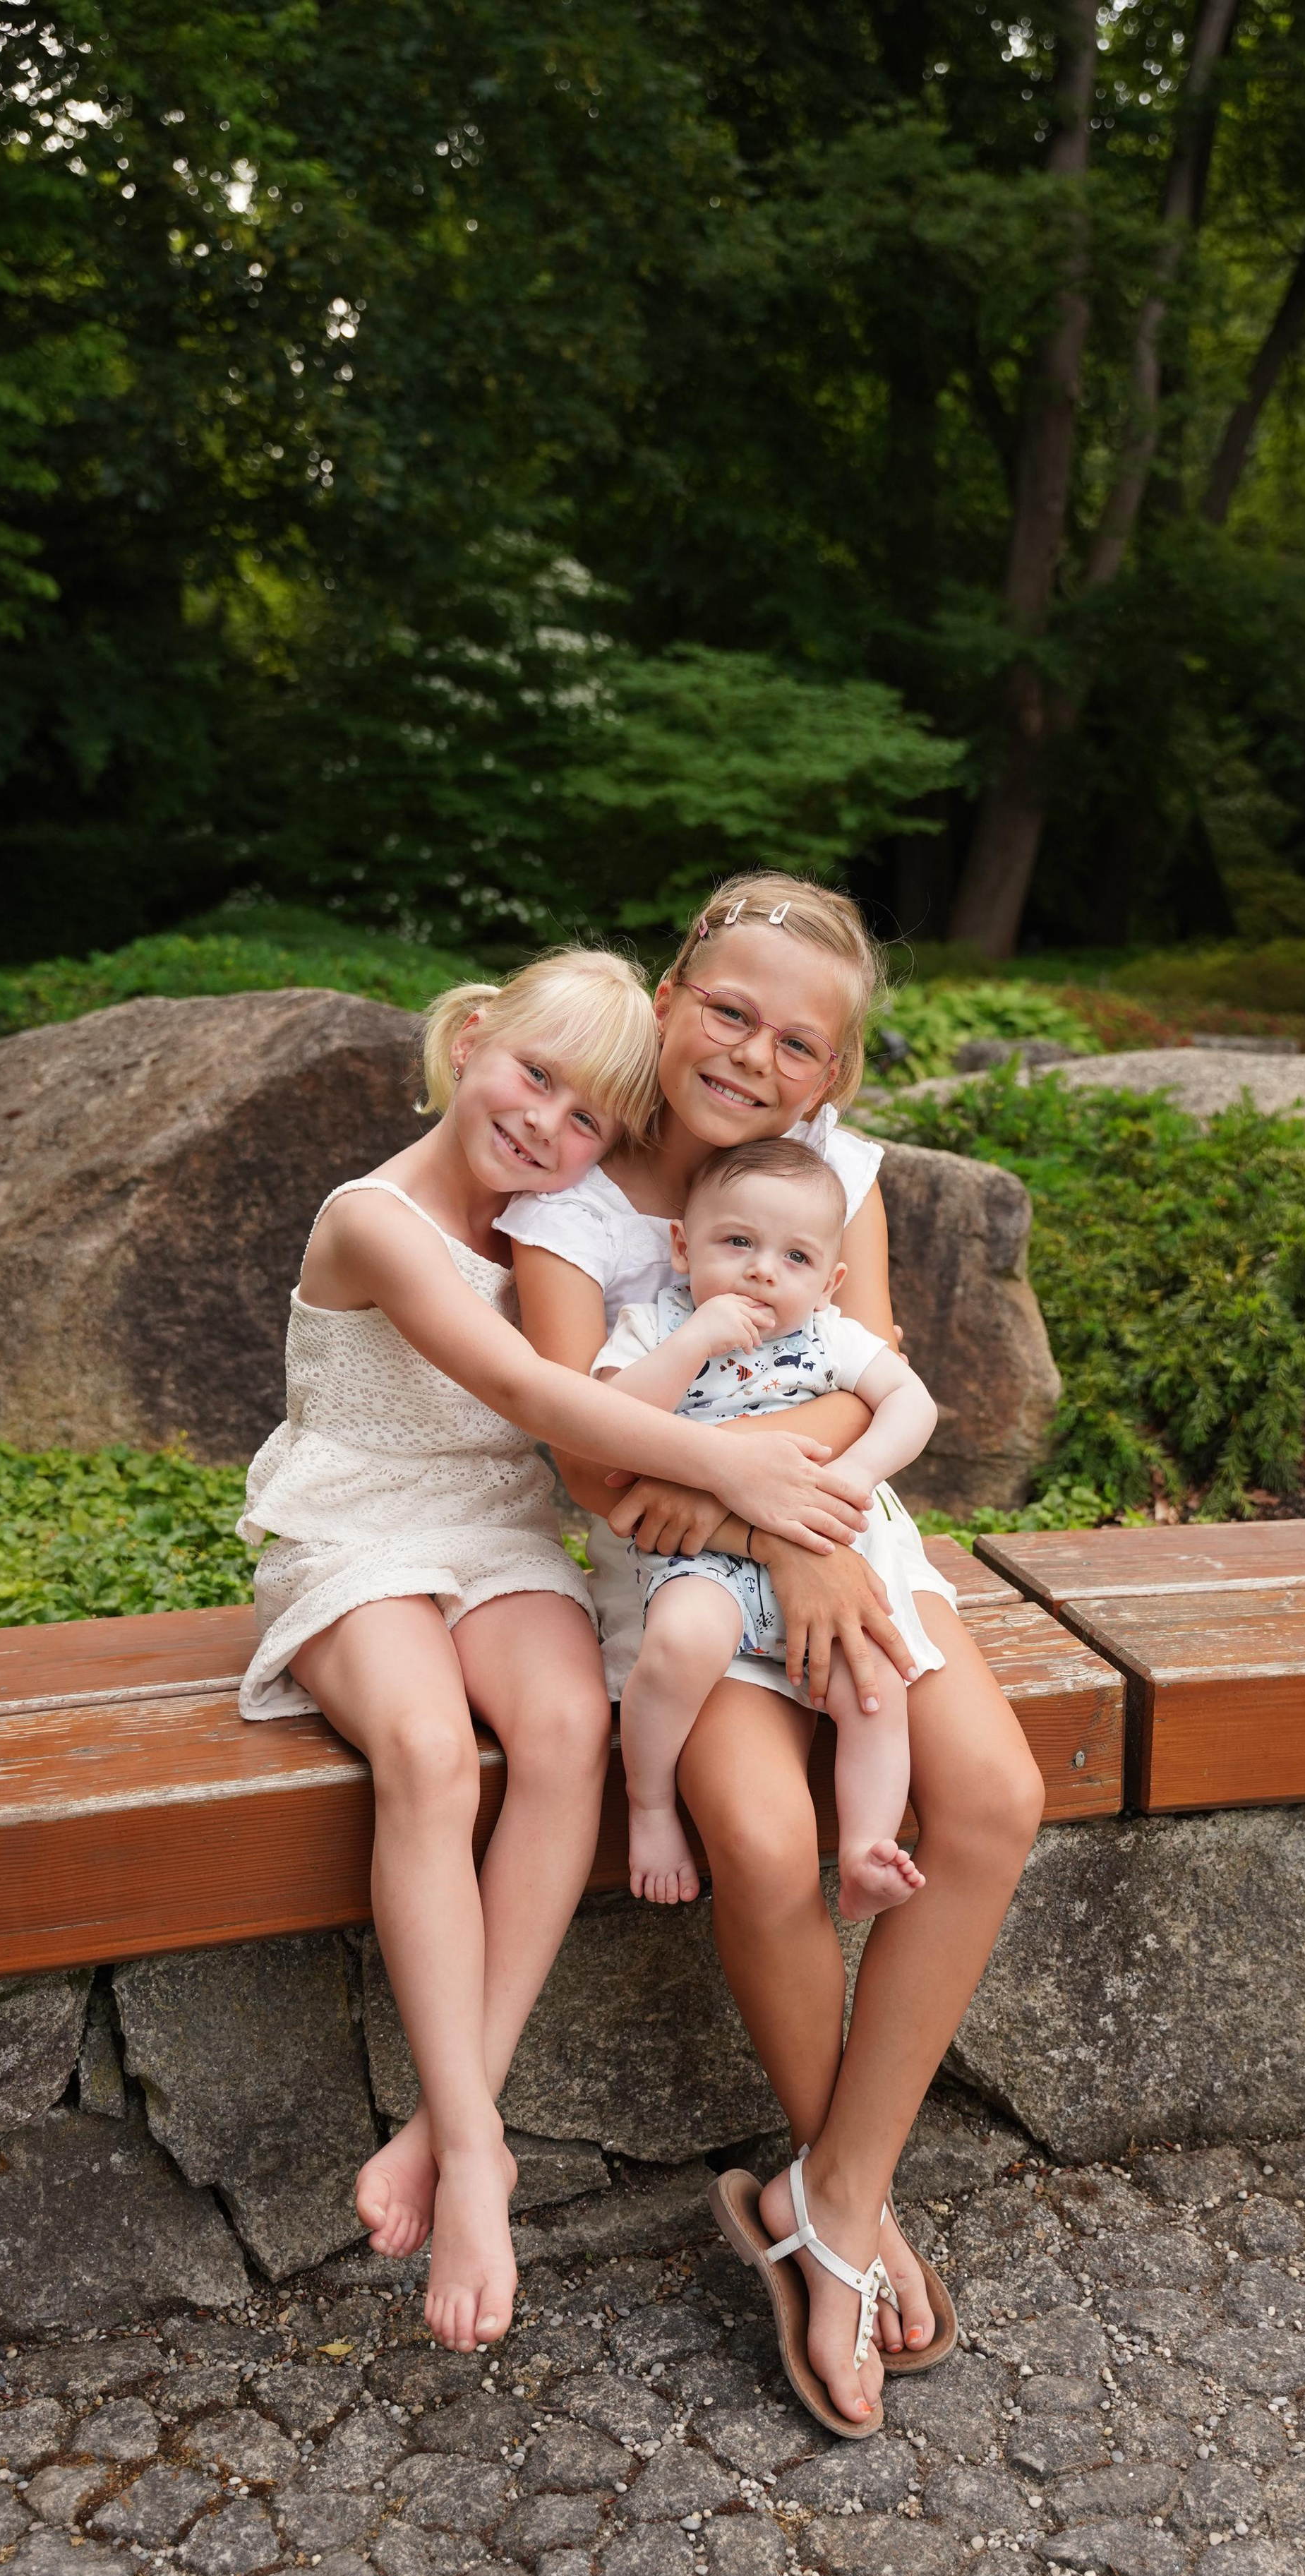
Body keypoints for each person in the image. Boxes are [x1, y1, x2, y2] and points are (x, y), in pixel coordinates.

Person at [236, 947, 872, 2356]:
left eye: (587, 1116)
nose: (547, 1126)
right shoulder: (377, 1216)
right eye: (532, 1076)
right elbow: (531, 1387)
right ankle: (478, 2156)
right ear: (469, 1040)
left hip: (493, 1529)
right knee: (420, 1748)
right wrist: (743, 1479)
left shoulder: (554, 1220)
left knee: (569, 1733)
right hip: (355, 1532)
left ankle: (446, 2113)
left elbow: (721, 1322)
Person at [506, 878, 1046, 2433]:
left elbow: (858, 1388)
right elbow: (595, 1467)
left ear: (833, 1073)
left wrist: (799, 1523)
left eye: (796, 1040)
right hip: (682, 1581)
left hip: (842, 1535)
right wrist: (753, 1524)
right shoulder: (575, 1211)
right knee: (757, 1829)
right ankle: (847, 2223)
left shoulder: (836, 1176)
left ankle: (831, 2194)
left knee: (993, 1798)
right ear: (669, 995)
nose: (752, 1052)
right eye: (728, 1009)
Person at [594, 1136, 939, 1919]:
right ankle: (648, 1806)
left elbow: (912, 1403)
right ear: (683, 1246)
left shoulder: (833, 1337)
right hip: (704, 1559)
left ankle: (863, 1851)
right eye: (737, 1242)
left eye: (795, 1258)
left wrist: (849, 1477)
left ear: (829, 1281)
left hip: (818, 1550)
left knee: (875, 1690)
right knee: (682, 1642)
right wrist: (693, 1342)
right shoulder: (652, 1326)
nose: (761, 1270)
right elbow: (608, 1425)